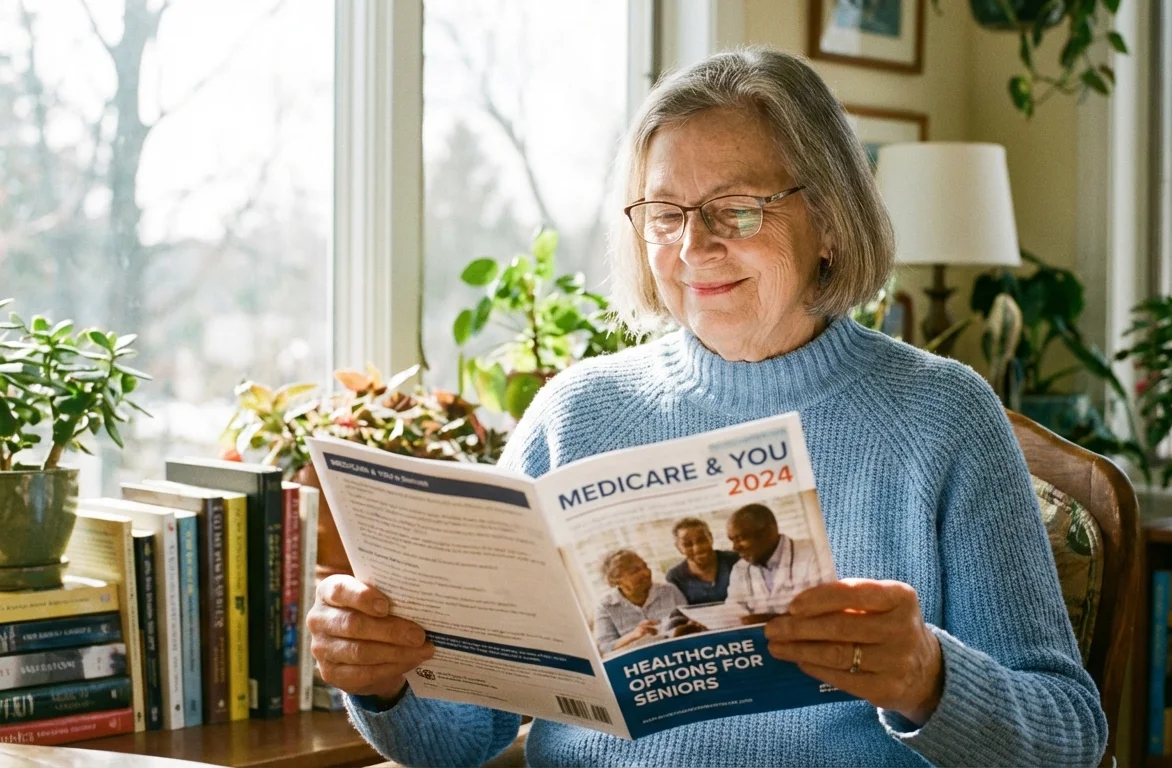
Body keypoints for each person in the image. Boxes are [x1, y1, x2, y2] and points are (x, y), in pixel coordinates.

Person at [307, 46, 1107, 767]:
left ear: (828, 220)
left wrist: (928, 677)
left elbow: (1070, 737)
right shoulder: (575, 413)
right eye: (666, 214)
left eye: (737, 209)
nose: (693, 248)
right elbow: (457, 738)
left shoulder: (941, 416)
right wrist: (382, 682)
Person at [723, 503, 822, 616]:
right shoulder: (740, 569)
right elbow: (733, 611)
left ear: (768, 533)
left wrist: (768, 619)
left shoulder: (814, 554)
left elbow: (822, 605)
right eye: (732, 540)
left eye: (740, 538)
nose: (735, 547)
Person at [592, 549, 688, 655]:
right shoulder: (606, 606)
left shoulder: (670, 591)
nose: (646, 573)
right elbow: (604, 647)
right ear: (615, 579)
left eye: (645, 566)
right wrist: (634, 635)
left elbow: (691, 625)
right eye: (635, 571)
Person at [664, 517, 741, 605]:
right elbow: (678, 613)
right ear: (678, 548)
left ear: (711, 538)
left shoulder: (735, 560)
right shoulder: (675, 577)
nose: (697, 548)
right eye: (688, 544)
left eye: (701, 540)